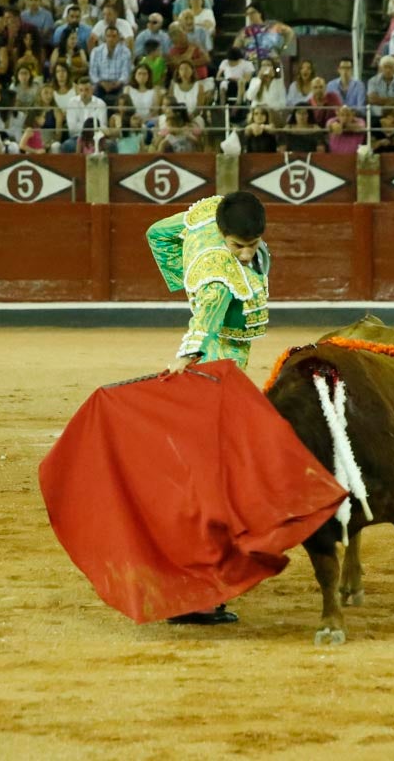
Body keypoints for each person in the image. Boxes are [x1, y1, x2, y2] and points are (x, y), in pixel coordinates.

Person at [142, 191, 271, 626]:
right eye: (239, 247)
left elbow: (158, 233)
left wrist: (183, 282)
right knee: (212, 481)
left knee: (209, 477)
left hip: (224, 372)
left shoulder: (201, 221)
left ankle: (195, 583)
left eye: (253, 245)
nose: (248, 254)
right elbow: (205, 323)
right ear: (223, 235)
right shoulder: (218, 278)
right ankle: (194, 590)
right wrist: (188, 353)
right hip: (215, 371)